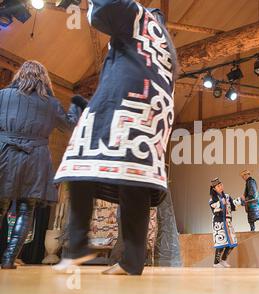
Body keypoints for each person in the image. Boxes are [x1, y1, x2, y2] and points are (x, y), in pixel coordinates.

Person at [53, 0, 177, 276]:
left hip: (126, 94)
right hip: (155, 104)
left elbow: (104, 11)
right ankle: (132, 260)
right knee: (134, 178)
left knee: (79, 160)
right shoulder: (160, 37)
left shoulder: (135, 13)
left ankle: (77, 246)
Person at [0, 60, 81, 269]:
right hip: (35, 159)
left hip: (5, 154)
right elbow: (70, 124)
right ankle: (8, 259)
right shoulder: (50, 103)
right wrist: (76, 104)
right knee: (26, 211)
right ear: (44, 80)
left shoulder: (3, 95)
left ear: (20, 76)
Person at [209, 178, 242, 268]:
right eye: (218, 186)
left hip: (228, 222)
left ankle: (223, 260)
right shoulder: (212, 199)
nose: (220, 187)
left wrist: (240, 200)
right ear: (214, 188)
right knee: (221, 243)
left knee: (232, 243)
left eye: (221, 185)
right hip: (219, 222)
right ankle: (216, 263)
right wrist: (221, 203)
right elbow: (215, 210)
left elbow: (233, 206)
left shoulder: (227, 196)